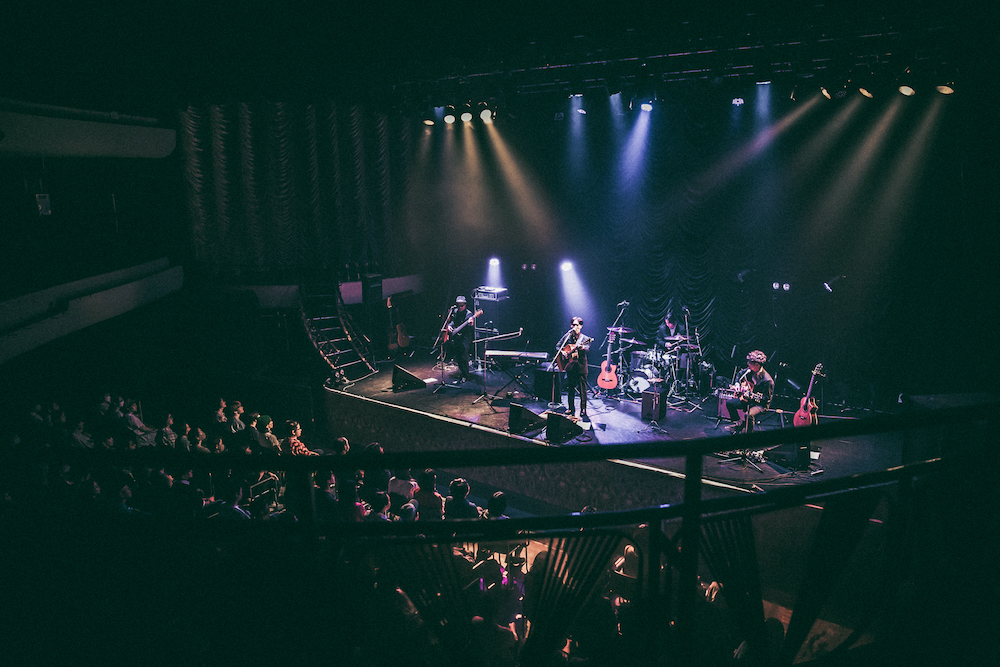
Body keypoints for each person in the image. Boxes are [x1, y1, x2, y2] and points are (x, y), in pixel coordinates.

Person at [725, 350, 774, 434]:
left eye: (750, 362)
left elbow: (766, 399)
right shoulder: (749, 371)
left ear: (757, 364)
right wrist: (737, 384)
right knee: (730, 403)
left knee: (749, 415)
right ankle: (739, 423)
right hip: (749, 399)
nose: (747, 364)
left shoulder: (768, 381)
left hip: (760, 404)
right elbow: (739, 374)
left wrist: (752, 396)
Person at [558, 316, 592, 422]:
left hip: (581, 366)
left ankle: (583, 409)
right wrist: (562, 352)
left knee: (582, 389)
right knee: (571, 388)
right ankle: (570, 408)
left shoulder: (585, 338)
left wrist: (582, 348)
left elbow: (587, 349)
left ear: (581, 326)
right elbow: (558, 346)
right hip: (571, 366)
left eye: (577, 325)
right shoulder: (567, 336)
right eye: (573, 325)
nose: (575, 327)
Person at [445, 295, 476, 384]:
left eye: (462, 305)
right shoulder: (455, 311)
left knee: (463, 356)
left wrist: (471, 324)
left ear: (465, 305)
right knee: (458, 356)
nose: (460, 307)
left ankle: (466, 375)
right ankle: (462, 372)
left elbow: (470, 328)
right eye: (458, 305)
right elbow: (453, 321)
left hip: (465, 337)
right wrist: (449, 326)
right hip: (457, 336)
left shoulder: (469, 314)